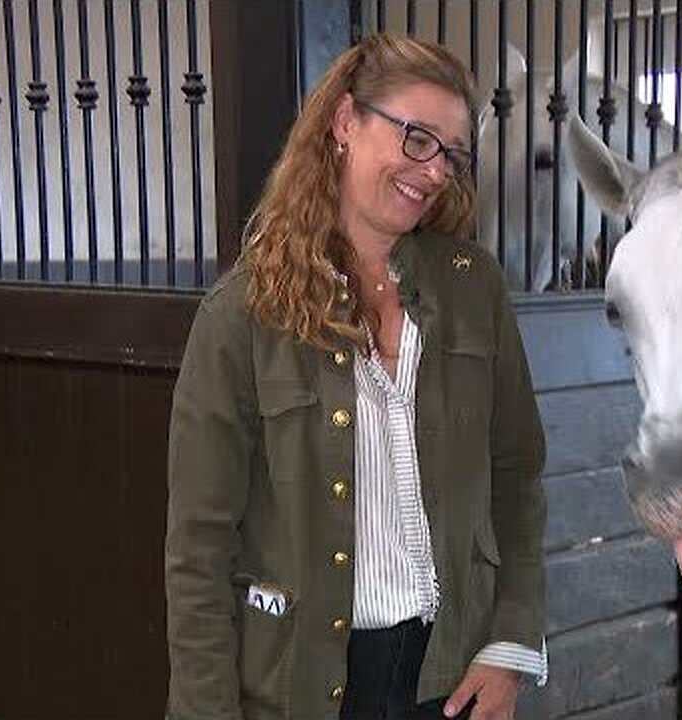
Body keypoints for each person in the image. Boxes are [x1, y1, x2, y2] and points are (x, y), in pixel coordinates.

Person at [165, 34, 547, 720]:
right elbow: (199, 552)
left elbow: (517, 478)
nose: (434, 173)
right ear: (345, 123)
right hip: (302, 690)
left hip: (453, 679)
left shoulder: (474, 291)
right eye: (416, 138)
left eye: (452, 154)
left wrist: (511, 644)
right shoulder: (242, 316)